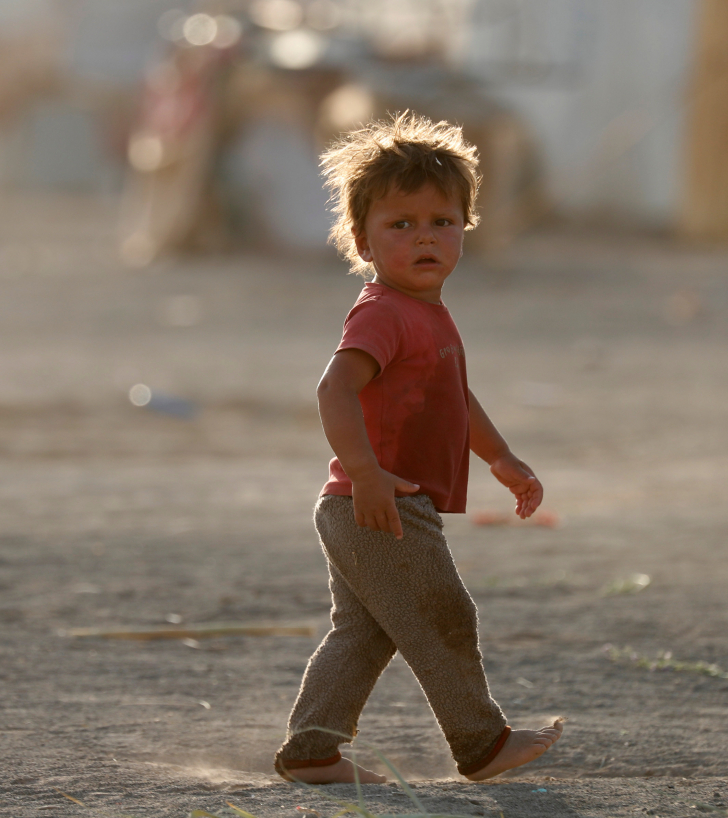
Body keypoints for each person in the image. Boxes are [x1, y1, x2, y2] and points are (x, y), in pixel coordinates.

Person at [273, 111, 563, 785]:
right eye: (400, 225)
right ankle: (481, 744)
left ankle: (312, 752)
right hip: (379, 501)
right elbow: (333, 391)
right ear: (362, 241)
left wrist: (500, 458)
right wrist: (369, 475)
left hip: (364, 504)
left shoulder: (427, 314)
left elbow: (454, 398)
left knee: (365, 633)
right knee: (445, 613)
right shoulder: (382, 313)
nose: (424, 237)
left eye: (441, 221)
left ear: (466, 228)